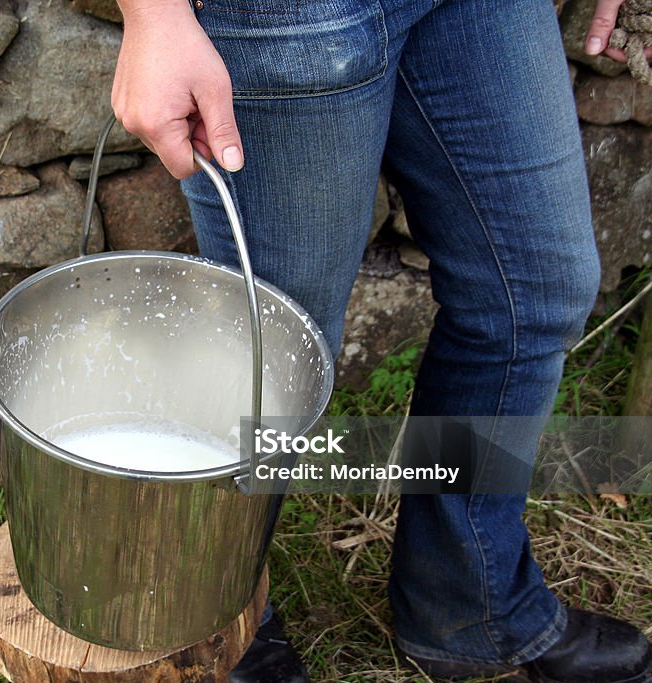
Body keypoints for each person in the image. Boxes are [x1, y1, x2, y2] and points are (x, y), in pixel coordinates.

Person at [111, 0, 652, 681]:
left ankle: (467, 606)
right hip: (285, 18)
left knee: (533, 294)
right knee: (277, 352)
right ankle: (211, 622)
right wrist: (154, 16)